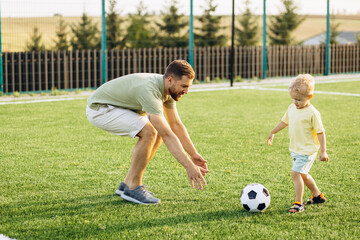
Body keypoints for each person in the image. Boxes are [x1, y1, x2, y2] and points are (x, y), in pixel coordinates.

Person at [86, 60, 209, 205]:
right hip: (100, 109)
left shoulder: (168, 90)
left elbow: (175, 124)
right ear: (170, 80)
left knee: (155, 132)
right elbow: (167, 134)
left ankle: (127, 184)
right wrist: (189, 167)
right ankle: (134, 186)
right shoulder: (150, 89)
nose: (186, 91)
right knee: (150, 131)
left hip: (114, 107)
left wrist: (193, 154)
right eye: (184, 86)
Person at [267, 74, 328, 213]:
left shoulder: (313, 113)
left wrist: (323, 151)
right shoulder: (292, 107)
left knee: (295, 173)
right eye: (293, 99)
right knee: (303, 174)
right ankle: (318, 196)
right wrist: (273, 132)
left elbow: (321, 132)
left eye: (299, 99)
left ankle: (298, 203)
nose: (296, 102)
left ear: (310, 97)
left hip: (307, 150)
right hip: (296, 149)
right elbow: (284, 122)